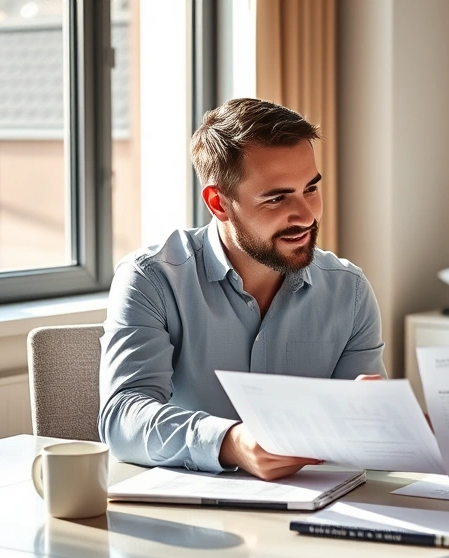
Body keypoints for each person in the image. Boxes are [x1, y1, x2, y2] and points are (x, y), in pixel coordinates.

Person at [98, 98, 386, 480]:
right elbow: (122, 418)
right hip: (188, 524)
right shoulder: (151, 279)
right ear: (219, 203)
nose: (306, 215)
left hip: (317, 510)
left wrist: (377, 416)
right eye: (277, 198)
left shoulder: (348, 291)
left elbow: (361, 443)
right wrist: (230, 442)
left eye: (310, 189)